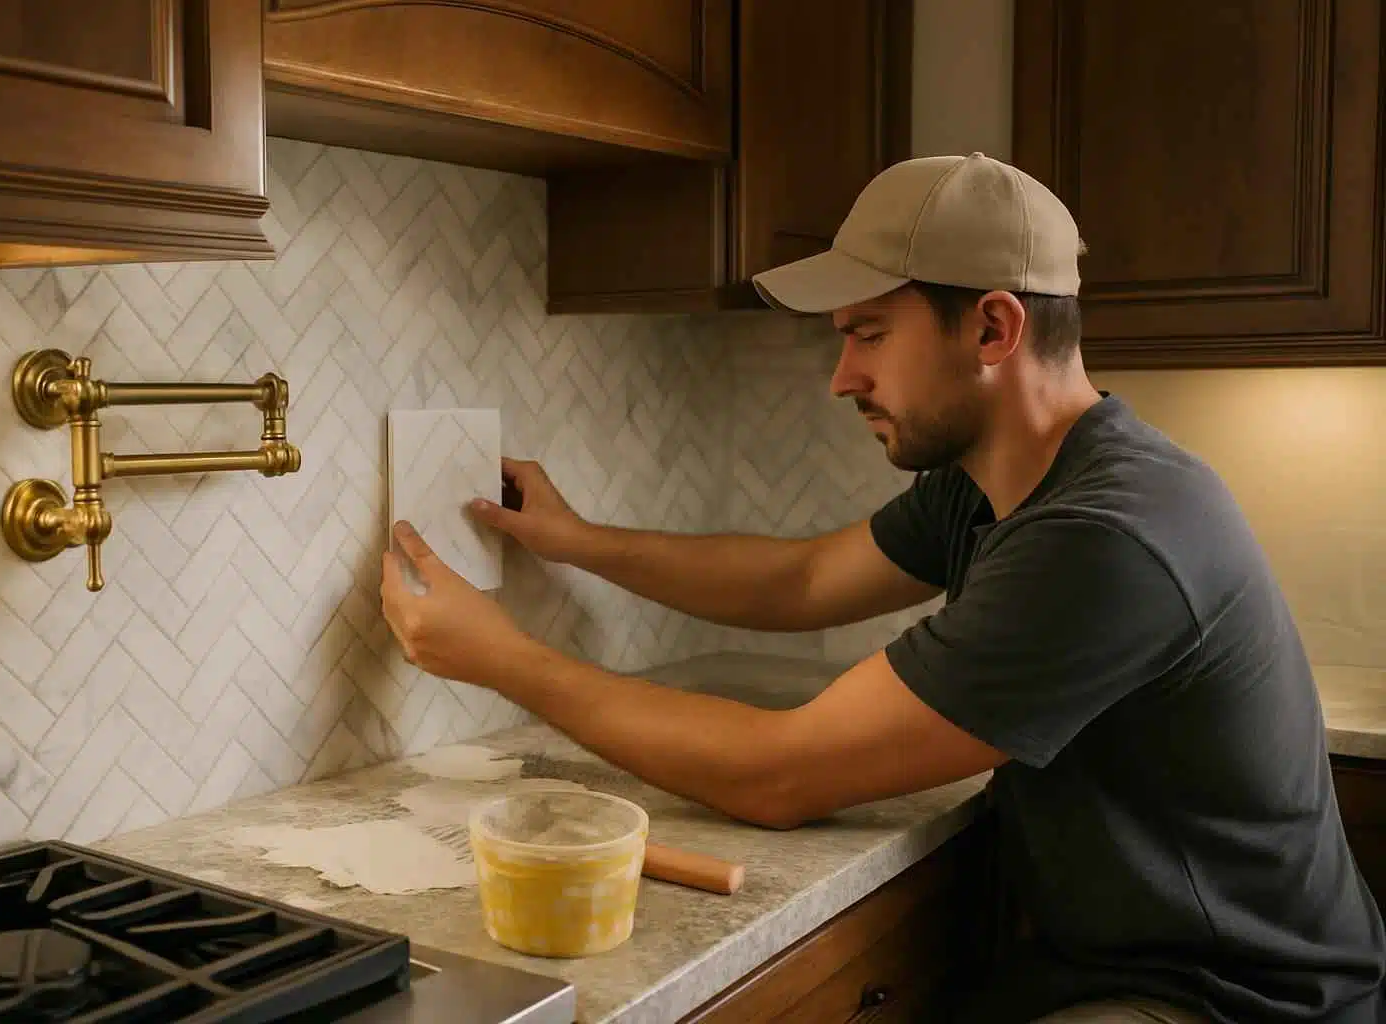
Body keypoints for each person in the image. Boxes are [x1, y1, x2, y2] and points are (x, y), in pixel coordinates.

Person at [379, 152, 1386, 1023]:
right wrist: (577, 539)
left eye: (868, 332)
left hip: (1234, 1000)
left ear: (993, 329)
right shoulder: (1002, 481)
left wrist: (500, 656)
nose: (840, 376)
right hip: (1110, 963)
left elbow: (779, 771)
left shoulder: (1107, 536)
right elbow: (802, 576)